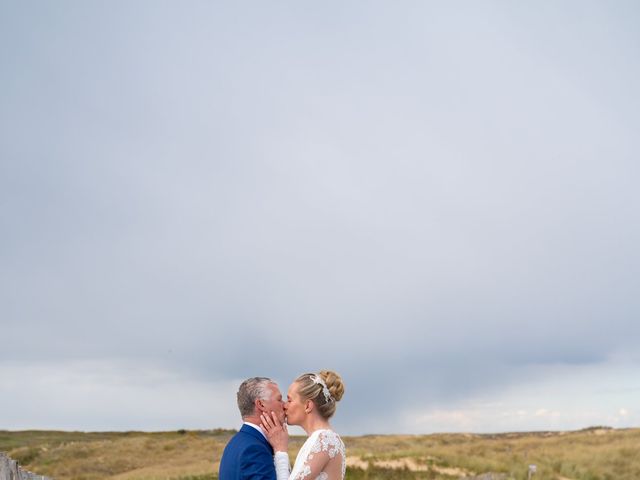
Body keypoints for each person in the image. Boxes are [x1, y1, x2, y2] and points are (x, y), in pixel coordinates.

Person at [260, 370, 346, 480]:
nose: (285, 405)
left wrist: (280, 449)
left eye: (290, 400)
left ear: (308, 406)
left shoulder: (324, 439)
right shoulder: (328, 439)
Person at [219, 377, 286, 480]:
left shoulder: (235, 442)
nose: (285, 405)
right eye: (279, 399)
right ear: (261, 404)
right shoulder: (254, 449)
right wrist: (281, 450)